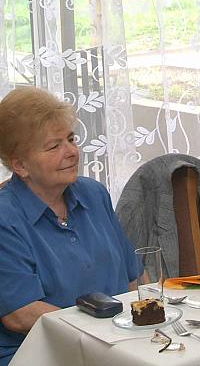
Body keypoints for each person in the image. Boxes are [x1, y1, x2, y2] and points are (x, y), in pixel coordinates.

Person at [0, 88, 139, 365]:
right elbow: (20, 313)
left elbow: (132, 278)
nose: (72, 152)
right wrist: (98, 337)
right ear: (20, 165)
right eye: (54, 146)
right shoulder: (5, 218)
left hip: (117, 344)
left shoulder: (94, 194)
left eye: (71, 139)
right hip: (41, 352)